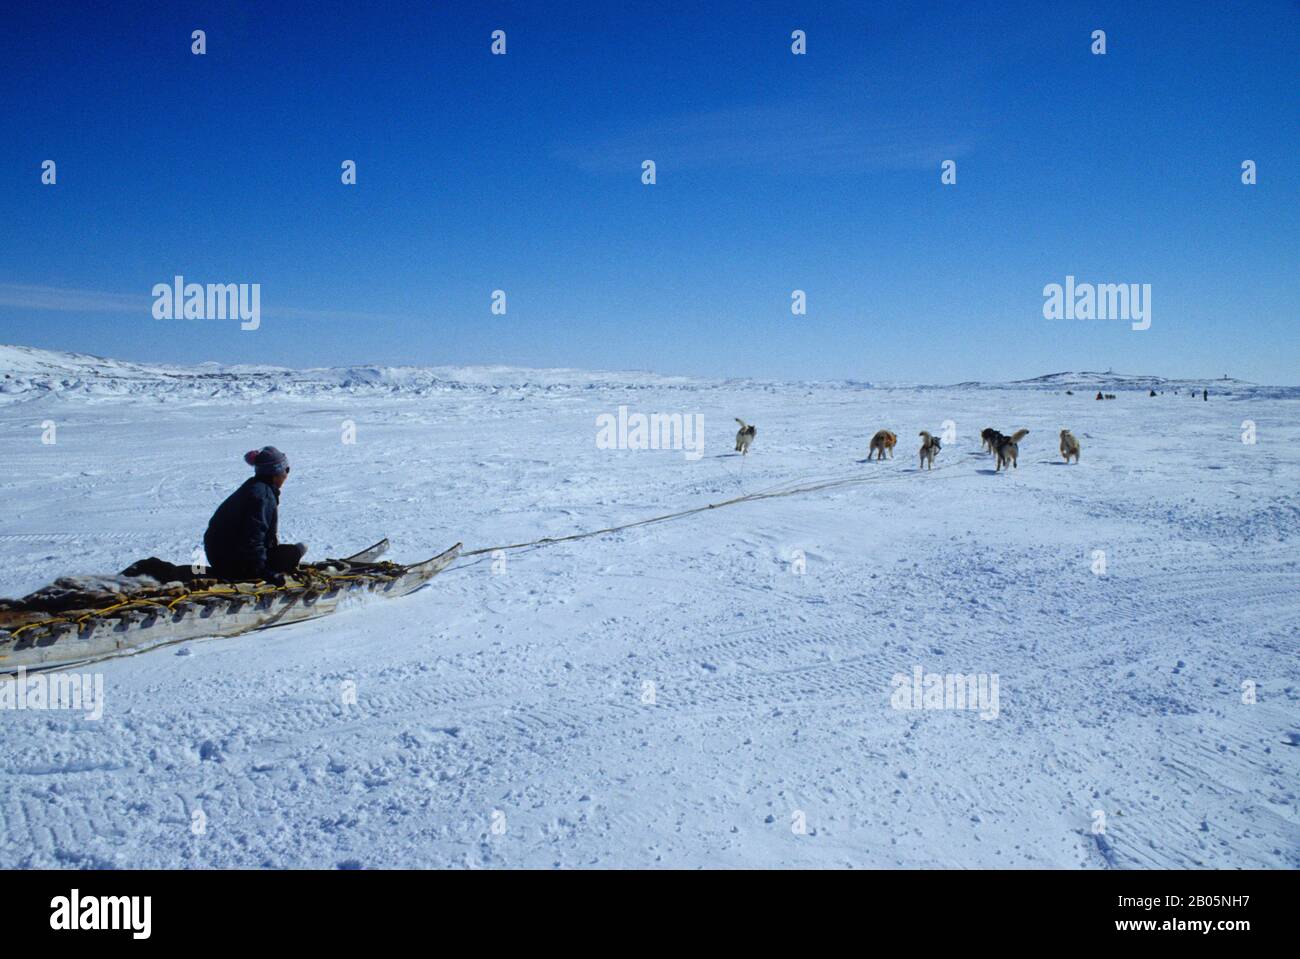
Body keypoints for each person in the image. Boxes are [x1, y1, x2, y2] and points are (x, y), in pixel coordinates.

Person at [203, 447, 307, 584]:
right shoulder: (263, 496)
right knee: (297, 551)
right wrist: (264, 571)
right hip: (235, 564)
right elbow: (253, 537)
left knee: (285, 552)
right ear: (276, 473)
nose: (287, 475)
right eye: (286, 470)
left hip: (218, 557)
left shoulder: (252, 487)